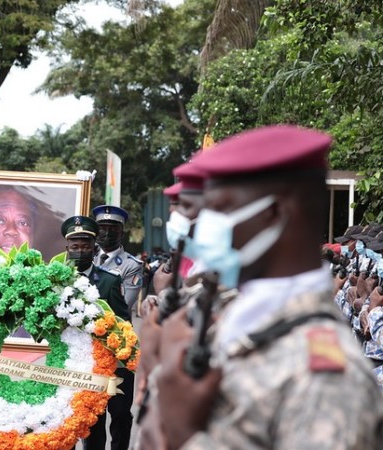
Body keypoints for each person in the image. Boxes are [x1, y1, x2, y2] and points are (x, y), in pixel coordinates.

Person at [155, 125, 383, 449]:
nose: (203, 227)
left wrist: (180, 433)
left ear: (274, 212)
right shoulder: (250, 324)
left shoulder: (324, 375)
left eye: (221, 209)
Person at [61, 215, 133, 450]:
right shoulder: (55, 281)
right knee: (74, 421)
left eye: (86, 246)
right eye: (75, 246)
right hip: (69, 361)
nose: (80, 251)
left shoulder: (108, 281)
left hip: (101, 361)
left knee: (102, 419)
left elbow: (123, 321)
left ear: (94, 248)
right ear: (67, 248)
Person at [92, 205, 143, 317]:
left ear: (122, 234)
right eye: (102, 228)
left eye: (113, 229)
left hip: (114, 329)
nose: (107, 233)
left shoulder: (132, 265)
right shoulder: (87, 256)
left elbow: (123, 305)